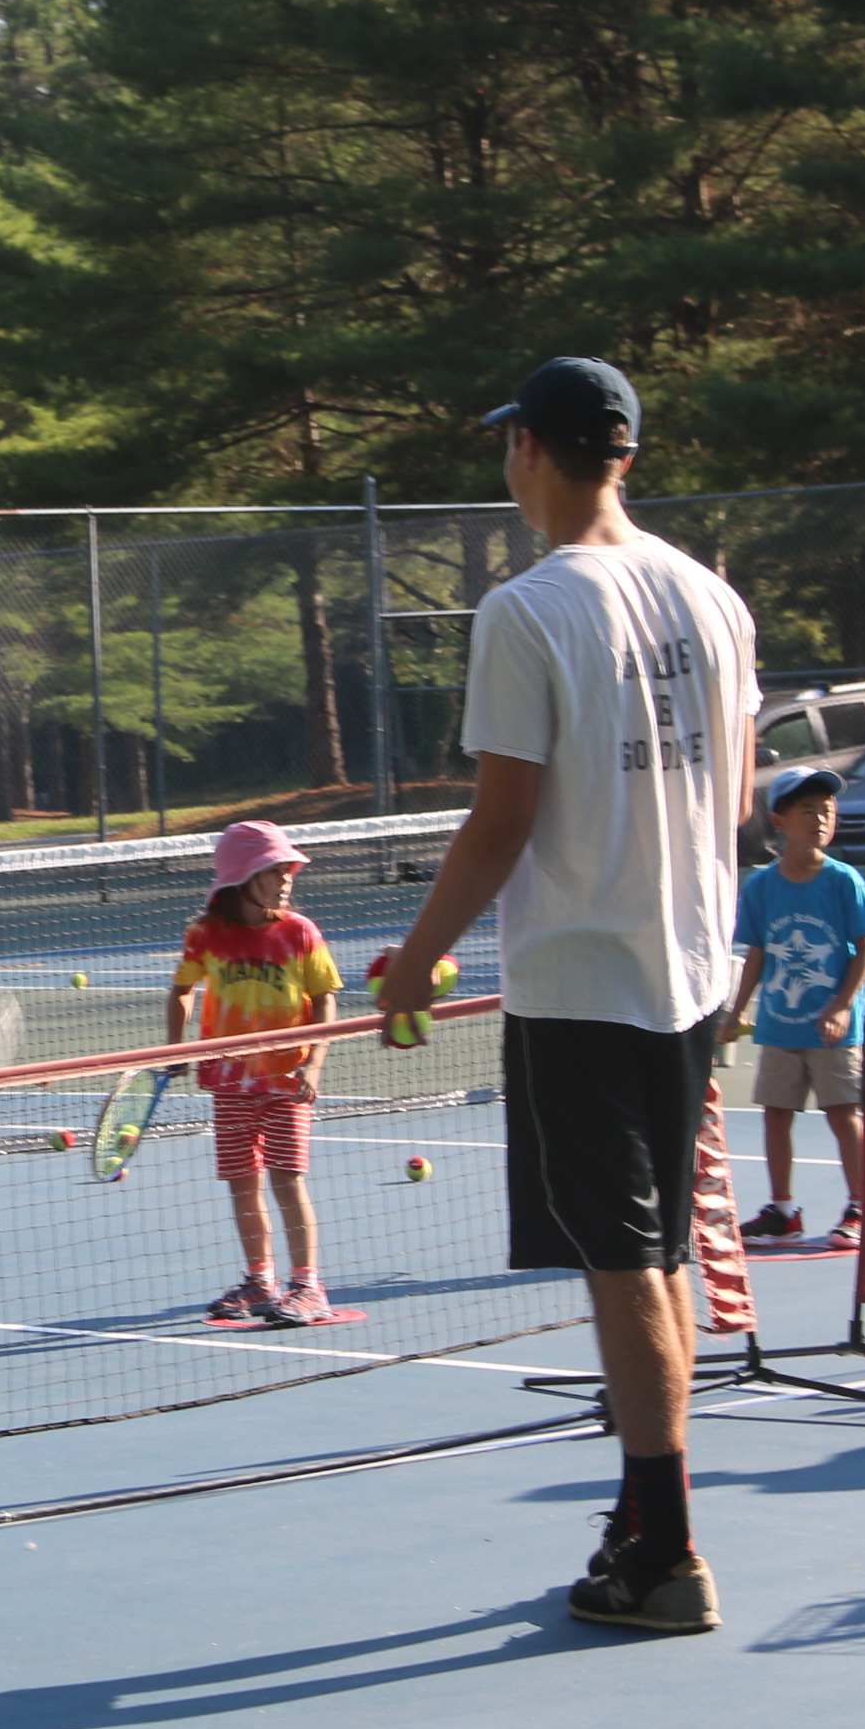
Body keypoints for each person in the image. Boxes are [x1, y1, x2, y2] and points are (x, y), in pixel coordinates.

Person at [367, 356, 758, 1636]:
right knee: (659, 1256)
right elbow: (738, 801)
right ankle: (649, 1523)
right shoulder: (715, 598)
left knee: (623, 1260)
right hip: (693, 971)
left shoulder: (526, 609)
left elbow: (503, 817)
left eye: (509, 442)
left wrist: (422, 956)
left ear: (530, 448)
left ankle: (668, 1552)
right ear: (626, 453)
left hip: (585, 982)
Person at [167, 821, 345, 1326]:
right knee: (243, 1183)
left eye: (288, 868)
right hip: (229, 1083)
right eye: (273, 869)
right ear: (242, 878)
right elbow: (181, 989)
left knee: (288, 1180)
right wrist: (175, 1047)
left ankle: (308, 1286)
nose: (286, 878)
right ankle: (259, 1281)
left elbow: (325, 999)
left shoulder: (299, 932)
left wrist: (314, 1061)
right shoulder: (206, 935)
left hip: (286, 1081)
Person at [726, 766, 865, 1248]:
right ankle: (783, 1212)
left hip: (833, 1030)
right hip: (780, 1026)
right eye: (808, 810)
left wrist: (841, 1007)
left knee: (843, 1113)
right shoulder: (760, 887)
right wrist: (736, 1012)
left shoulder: (844, 881)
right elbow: (757, 953)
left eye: (828, 811)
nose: (821, 819)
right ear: (780, 820)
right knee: (776, 1115)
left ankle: (860, 1209)